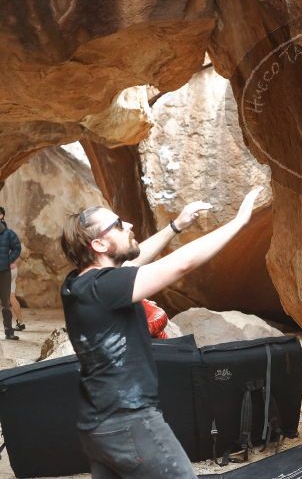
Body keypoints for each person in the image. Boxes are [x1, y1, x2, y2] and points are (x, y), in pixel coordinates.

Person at [60, 188, 263, 478]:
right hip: (131, 422)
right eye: (118, 225)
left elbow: (133, 263)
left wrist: (176, 226)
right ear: (99, 244)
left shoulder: (78, 284)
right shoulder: (107, 287)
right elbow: (182, 264)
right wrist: (239, 222)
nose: (128, 225)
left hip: (98, 428)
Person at [0, 207, 22, 340]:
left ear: (1, 216)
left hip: (4, 272)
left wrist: (8, 260)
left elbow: (17, 247)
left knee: (6, 302)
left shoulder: (9, 234)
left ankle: (9, 331)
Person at [10, 262, 25, 331]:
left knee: (11, 297)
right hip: (13, 268)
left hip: (4, 270)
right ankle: (21, 323)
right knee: (12, 297)